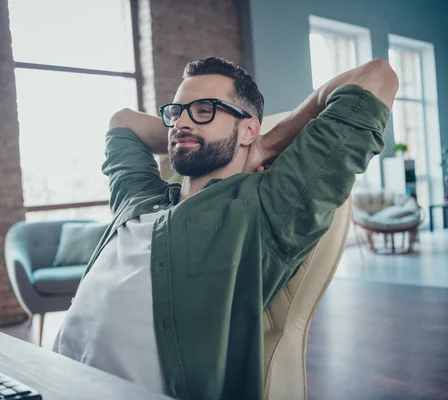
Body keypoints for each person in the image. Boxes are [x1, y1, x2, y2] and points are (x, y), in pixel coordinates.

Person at [53, 56, 398, 399]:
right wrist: (198, 133)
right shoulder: (141, 197)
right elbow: (123, 122)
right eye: (177, 112)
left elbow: (377, 77)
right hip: (43, 377)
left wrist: (266, 142)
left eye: (204, 109)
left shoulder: (268, 206)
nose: (182, 123)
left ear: (249, 127)